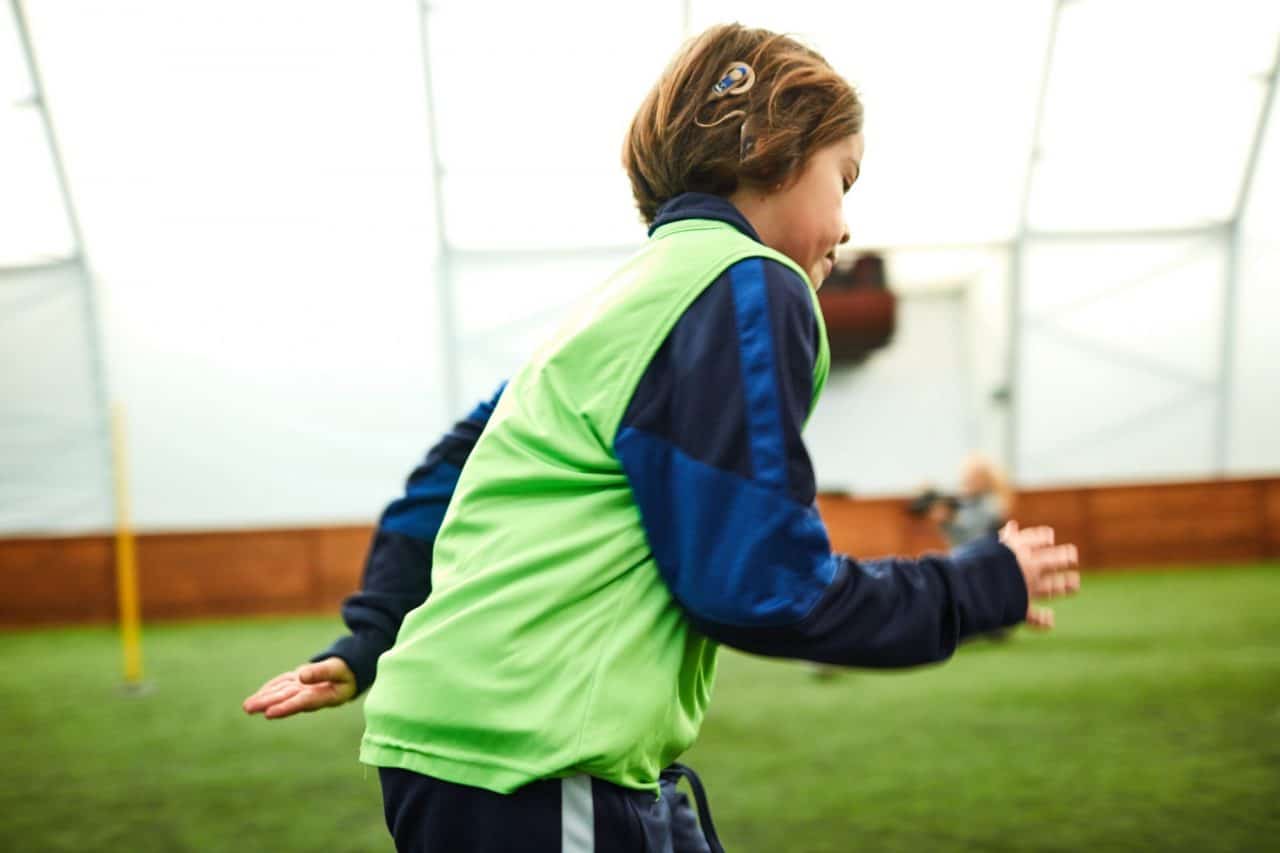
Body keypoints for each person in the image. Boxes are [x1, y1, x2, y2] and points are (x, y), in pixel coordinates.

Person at [358, 23, 1079, 852]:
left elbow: (449, 468)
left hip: (472, 749)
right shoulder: (747, 282)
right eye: (844, 179)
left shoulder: (620, 299)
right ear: (775, 147)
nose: (846, 228)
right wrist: (975, 588)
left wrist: (373, 630)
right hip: (534, 759)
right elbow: (760, 583)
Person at [242, 385, 715, 851]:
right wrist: (372, 637)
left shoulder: (677, 359)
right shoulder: (559, 368)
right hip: (532, 748)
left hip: (617, 758)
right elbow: (435, 493)